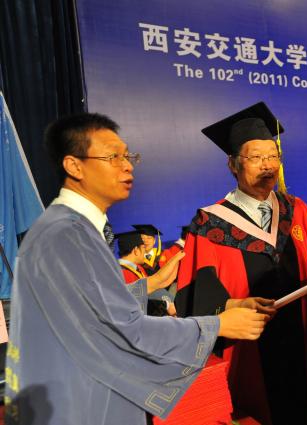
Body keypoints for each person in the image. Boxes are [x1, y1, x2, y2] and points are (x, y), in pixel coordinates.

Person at [4, 113, 269, 425]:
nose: (127, 166)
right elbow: (122, 331)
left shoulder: (75, 228)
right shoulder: (65, 236)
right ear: (74, 166)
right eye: (113, 157)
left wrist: (151, 283)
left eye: (128, 156)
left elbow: (91, 307)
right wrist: (217, 325)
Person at [176, 102, 307, 425]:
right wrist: (233, 306)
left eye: (273, 156)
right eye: (256, 157)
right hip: (248, 351)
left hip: (299, 346)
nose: (268, 165)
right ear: (233, 165)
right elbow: (197, 298)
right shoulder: (210, 223)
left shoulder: (296, 209)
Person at [116, 230, 176, 316]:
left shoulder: (135, 269)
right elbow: (136, 304)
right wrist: (165, 305)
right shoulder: (124, 273)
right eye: (144, 247)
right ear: (136, 250)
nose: (145, 251)